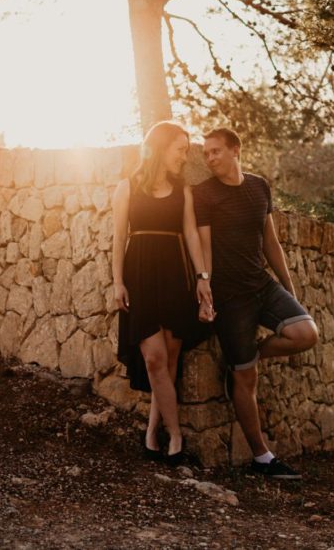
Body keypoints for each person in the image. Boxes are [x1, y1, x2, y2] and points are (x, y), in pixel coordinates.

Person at [193, 128, 319, 480]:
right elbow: (203, 247)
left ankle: (251, 354)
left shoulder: (259, 186)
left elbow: (271, 241)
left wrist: (288, 286)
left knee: (306, 333)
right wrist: (205, 287)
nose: (210, 158)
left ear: (235, 150)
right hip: (230, 297)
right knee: (246, 379)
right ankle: (262, 457)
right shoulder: (203, 194)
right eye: (205, 153)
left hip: (263, 285)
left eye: (216, 151)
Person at [112, 121, 213, 466]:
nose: (185, 157)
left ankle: (152, 436)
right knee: (154, 359)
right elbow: (116, 239)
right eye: (180, 149)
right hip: (139, 273)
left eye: (187, 150)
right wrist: (117, 282)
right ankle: (176, 435)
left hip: (174, 276)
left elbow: (191, 236)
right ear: (159, 147)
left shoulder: (183, 190)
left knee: (168, 364)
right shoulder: (126, 187)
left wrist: (202, 279)